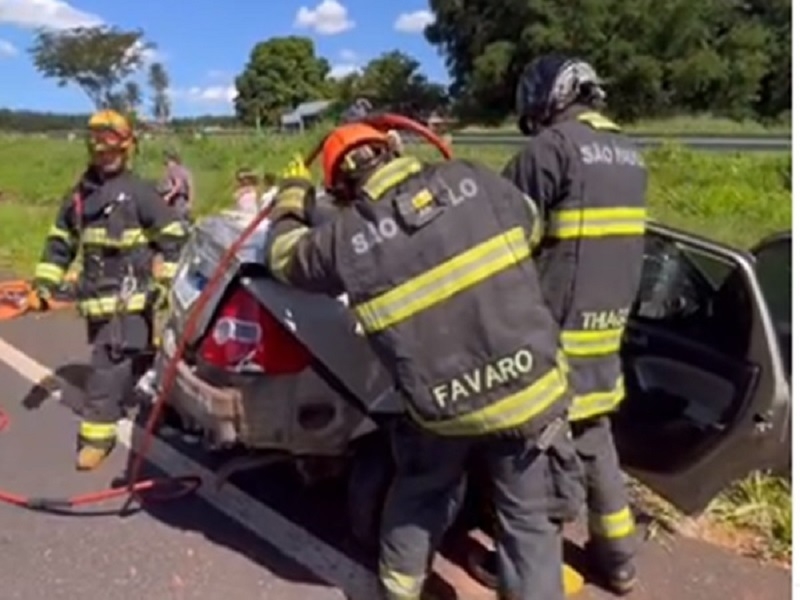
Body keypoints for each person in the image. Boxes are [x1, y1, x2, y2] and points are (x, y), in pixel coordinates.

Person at [264, 123, 585, 599]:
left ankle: (398, 592)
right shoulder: (470, 177)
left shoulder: (345, 236)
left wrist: (292, 195)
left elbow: (283, 256)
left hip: (441, 408)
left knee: (421, 494)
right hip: (528, 393)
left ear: (340, 186)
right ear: (394, 147)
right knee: (530, 522)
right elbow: (532, 226)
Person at [501, 55, 648, 595]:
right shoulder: (630, 154)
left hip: (552, 337)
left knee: (535, 460)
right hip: (606, 336)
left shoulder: (551, 149)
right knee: (596, 441)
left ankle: (536, 569)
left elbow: (501, 238)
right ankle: (620, 560)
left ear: (549, 95)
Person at [32, 109, 187, 471]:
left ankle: (96, 439)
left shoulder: (140, 194)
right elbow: (60, 243)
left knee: (105, 369)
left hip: (130, 302)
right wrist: (45, 284)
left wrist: (166, 280)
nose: (106, 156)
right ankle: (161, 409)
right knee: (135, 360)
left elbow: (175, 237)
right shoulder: (79, 198)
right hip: (96, 302)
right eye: (100, 150)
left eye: (113, 150)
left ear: (127, 149)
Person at [162, 149, 194, 222]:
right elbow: (190, 187)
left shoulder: (173, 169)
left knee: (175, 222)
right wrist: (190, 202)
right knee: (184, 222)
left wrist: (168, 196)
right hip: (184, 200)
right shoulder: (185, 170)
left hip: (176, 200)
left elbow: (178, 185)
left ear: (170, 159)